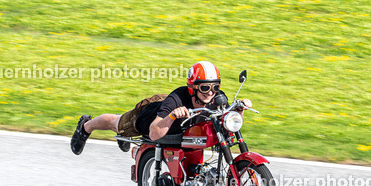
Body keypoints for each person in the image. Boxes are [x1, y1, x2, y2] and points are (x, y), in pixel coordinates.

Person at [70, 61, 248, 154]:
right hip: (152, 114)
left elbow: (228, 122)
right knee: (117, 123)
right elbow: (154, 133)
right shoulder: (175, 101)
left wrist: (239, 110)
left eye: (215, 87)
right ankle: (86, 126)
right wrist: (171, 116)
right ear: (193, 86)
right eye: (204, 87)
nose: (210, 93)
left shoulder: (217, 97)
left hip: (177, 123)